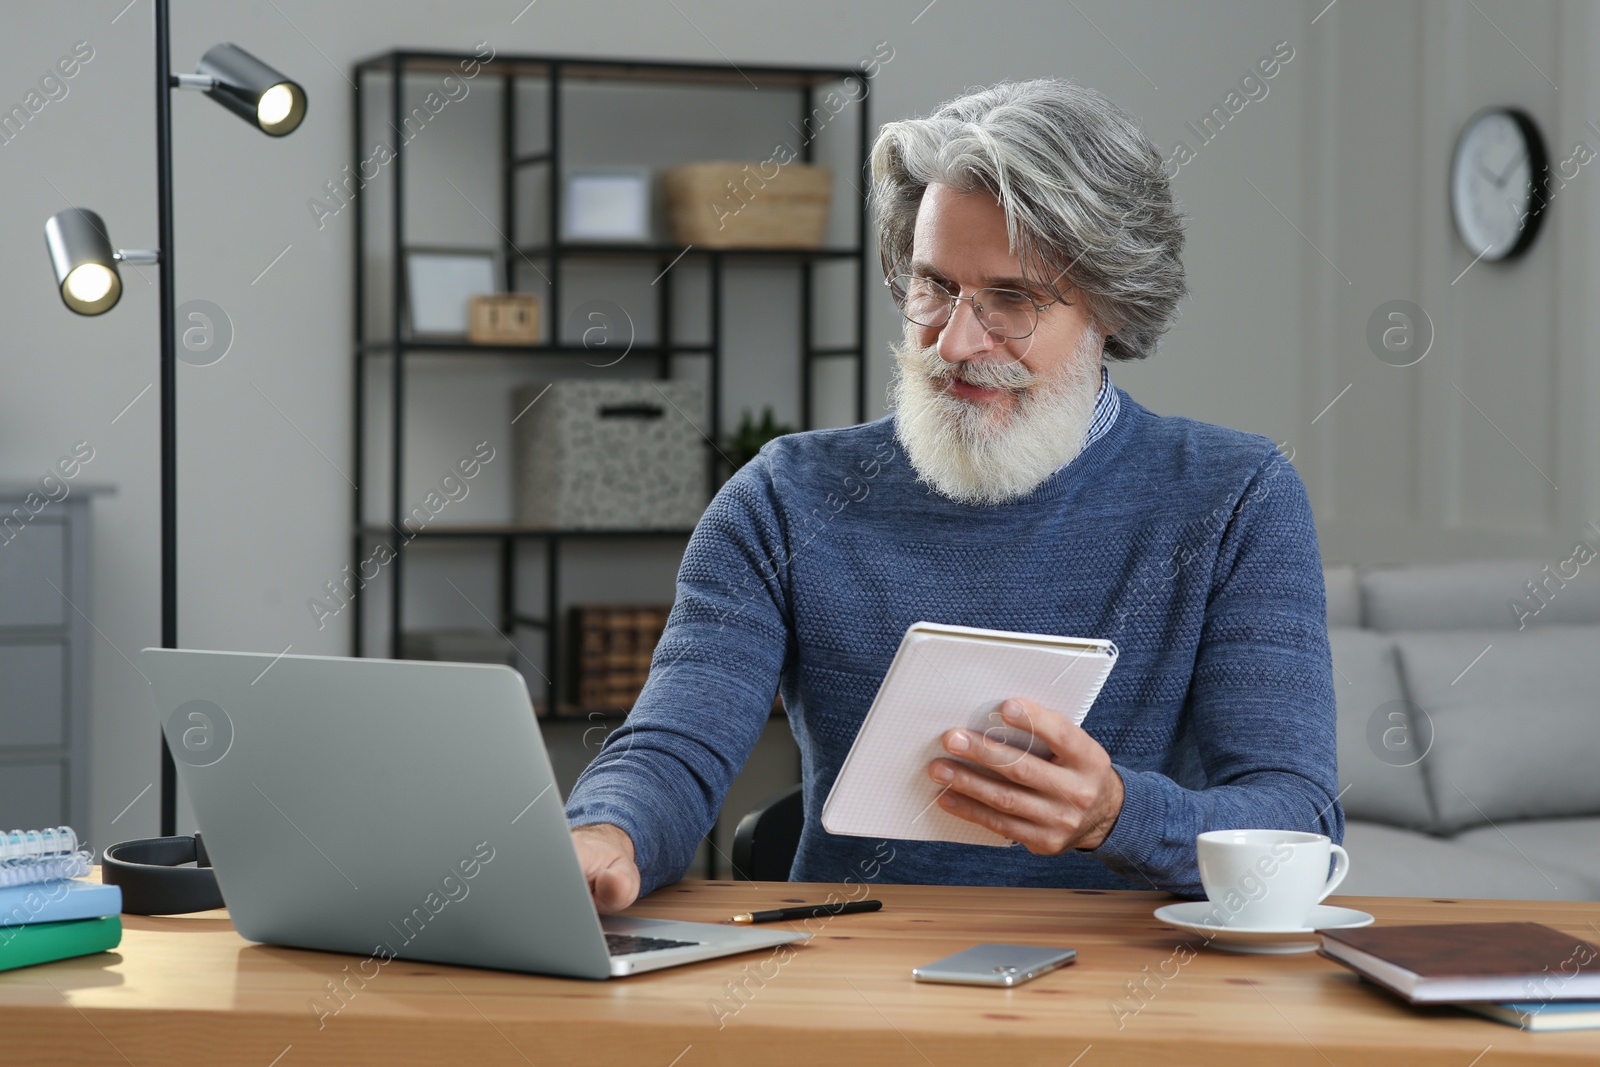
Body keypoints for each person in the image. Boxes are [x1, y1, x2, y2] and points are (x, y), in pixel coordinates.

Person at [565, 77, 1341, 913]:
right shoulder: (784, 497)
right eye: (934, 287)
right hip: (854, 974)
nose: (958, 342)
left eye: (1010, 299)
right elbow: (675, 749)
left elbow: (1297, 820)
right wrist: (606, 833)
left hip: (1135, 989)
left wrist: (1115, 813)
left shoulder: (1235, 497)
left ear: (1109, 306)